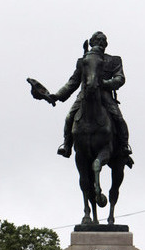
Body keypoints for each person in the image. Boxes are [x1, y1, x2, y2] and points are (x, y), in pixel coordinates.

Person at [49, 31, 133, 165]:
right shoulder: (83, 61)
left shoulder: (114, 60)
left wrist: (105, 84)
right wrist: (57, 95)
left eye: (103, 41)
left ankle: (123, 146)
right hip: (84, 96)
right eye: (98, 40)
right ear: (92, 42)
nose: (101, 43)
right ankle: (66, 145)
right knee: (69, 117)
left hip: (104, 94)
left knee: (118, 118)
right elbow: (73, 82)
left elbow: (120, 78)